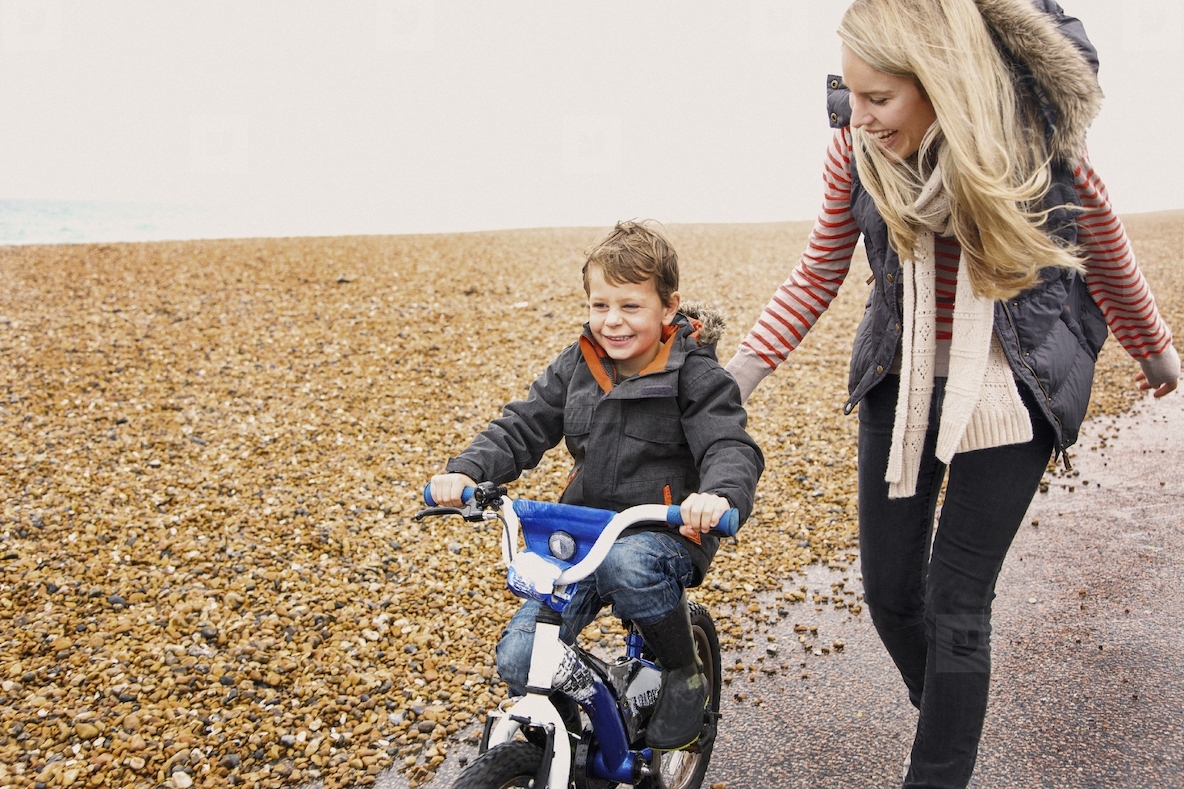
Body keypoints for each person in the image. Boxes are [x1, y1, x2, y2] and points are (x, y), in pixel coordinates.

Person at [725, 0, 1179, 786]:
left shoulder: (1036, 150)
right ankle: (947, 712)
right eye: (852, 95)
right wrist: (737, 378)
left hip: (1015, 383)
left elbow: (1107, 252)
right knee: (890, 596)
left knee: (956, 603)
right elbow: (818, 270)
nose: (859, 116)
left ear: (938, 81)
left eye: (879, 98)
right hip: (900, 381)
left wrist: (1158, 353)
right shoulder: (856, 151)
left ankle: (937, 767)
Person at [430, 220, 764, 750]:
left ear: (668, 308)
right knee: (519, 658)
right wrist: (468, 470)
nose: (612, 320)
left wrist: (719, 495)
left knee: (628, 564)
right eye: (600, 305)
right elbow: (524, 424)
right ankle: (578, 731)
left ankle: (683, 672)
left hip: (664, 531)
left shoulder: (695, 375)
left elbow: (729, 445)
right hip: (584, 533)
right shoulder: (578, 364)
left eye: (631, 306)